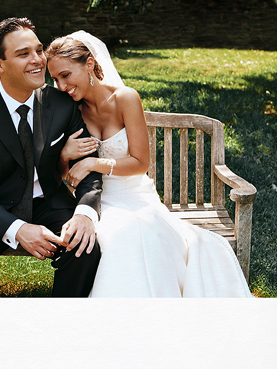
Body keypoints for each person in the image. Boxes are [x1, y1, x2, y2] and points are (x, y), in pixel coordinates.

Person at [46, 30, 253, 297]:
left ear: (88, 65)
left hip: (134, 195)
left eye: (65, 75)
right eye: (55, 79)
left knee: (139, 231)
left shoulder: (125, 98)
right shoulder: (69, 109)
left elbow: (140, 162)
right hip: (96, 200)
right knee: (119, 235)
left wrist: (94, 164)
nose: (61, 86)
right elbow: (64, 174)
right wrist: (64, 155)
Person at [0, 18, 102, 297]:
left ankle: (61, 326)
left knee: (85, 248)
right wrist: (17, 229)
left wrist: (85, 214)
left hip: (49, 202)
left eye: (39, 50)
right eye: (23, 53)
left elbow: (89, 165)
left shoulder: (63, 105)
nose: (38, 60)